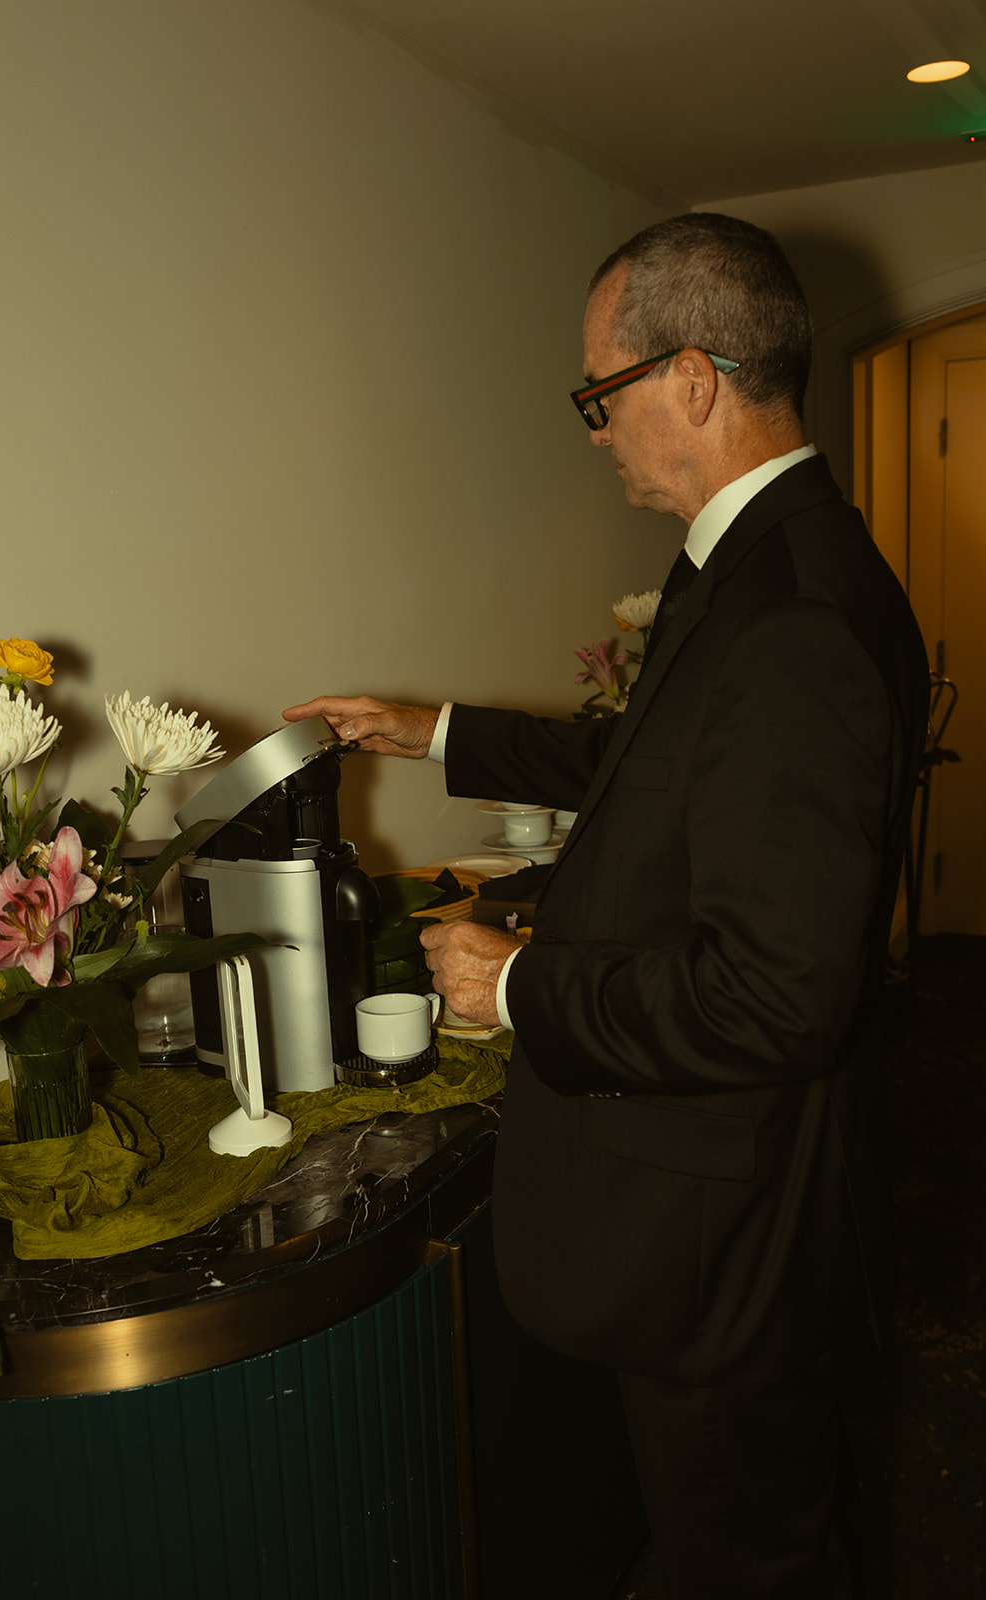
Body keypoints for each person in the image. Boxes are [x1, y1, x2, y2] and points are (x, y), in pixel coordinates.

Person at [284, 212, 929, 1599]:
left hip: (729, 1234)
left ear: (691, 378)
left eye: (600, 395)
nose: (594, 431)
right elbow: (648, 764)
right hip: (728, 1206)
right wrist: (436, 731)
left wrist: (512, 983)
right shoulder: (760, 562)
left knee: (745, 1557)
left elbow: (771, 995)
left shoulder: (795, 614)